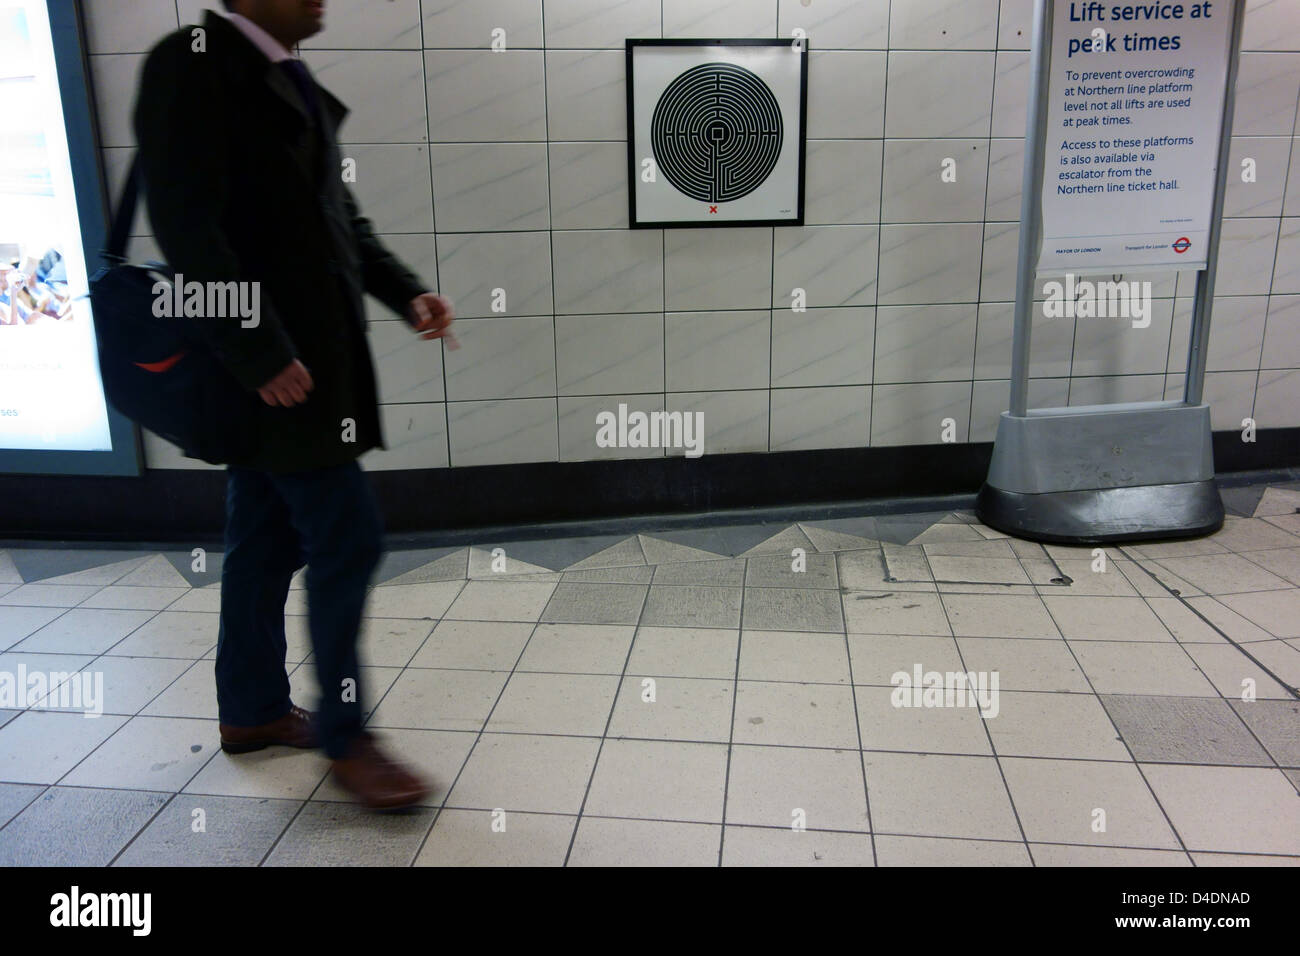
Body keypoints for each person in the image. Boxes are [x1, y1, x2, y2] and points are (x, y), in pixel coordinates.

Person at [133, 0, 456, 810]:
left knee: (263, 545)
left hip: (302, 370)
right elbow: (184, 223)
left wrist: (404, 289)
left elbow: (334, 216)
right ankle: (348, 740)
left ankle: (250, 712)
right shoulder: (194, 59)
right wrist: (259, 348)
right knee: (351, 540)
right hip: (280, 375)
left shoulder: (284, 75)